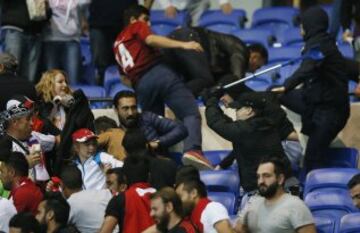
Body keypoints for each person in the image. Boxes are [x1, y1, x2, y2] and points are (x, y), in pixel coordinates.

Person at [113, 5, 212, 170]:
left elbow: (124, 78)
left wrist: (141, 83)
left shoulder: (116, 44)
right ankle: (193, 150)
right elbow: (151, 39)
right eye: (145, 19)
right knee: (189, 113)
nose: (148, 23)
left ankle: (159, 162)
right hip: (158, 73)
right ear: (132, 20)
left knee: (153, 126)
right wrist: (184, 45)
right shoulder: (136, 26)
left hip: (140, 85)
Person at [272, 7, 350, 172]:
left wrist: (287, 85)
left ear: (310, 25)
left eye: (302, 25)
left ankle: (316, 194)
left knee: (312, 161)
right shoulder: (321, 42)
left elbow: (307, 67)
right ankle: (288, 132)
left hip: (330, 113)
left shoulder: (319, 44)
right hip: (315, 104)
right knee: (274, 93)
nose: (300, 29)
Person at [203, 91, 296, 193]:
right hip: (283, 185)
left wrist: (210, 102)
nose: (236, 112)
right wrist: (213, 105)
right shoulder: (265, 125)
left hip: (267, 190)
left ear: (249, 110)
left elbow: (216, 123)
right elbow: (229, 125)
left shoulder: (247, 130)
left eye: (238, 109)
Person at [165, 27, 268, 96]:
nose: (254, 71)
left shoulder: (224, 69)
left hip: (177, 40)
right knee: (204, 79)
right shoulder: (240, 48)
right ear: (255, 57)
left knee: (195, 83)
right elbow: (236, 80)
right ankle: (174, 99)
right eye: (258, 67)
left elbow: (220, 85)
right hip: (190, 39)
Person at [234, 157, 316, 233]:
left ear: (280, 179)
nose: (261, 181)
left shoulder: (296, 206)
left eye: (266, 176)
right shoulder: (253, 201)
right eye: (258, 177)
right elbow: (238, 229)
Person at [113, 91, 188, 158]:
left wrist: (157, 143)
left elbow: (181, 129)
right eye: (125, 109)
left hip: (159, 166)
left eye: (134, 108)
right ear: (116, 110)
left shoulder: (147, 118)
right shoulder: (114, 134)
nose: (131, 113)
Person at [0, 95, 56, 182]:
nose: (32, 123)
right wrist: (24, 165)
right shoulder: (4, 145)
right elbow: (5, 180)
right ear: (15, 122)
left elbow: (58, 140)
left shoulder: (33, 136)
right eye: (28, 119)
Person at [99, 155, 156, 233]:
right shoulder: (164, 195)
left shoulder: (119, 200)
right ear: (149, 175)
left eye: (110, 184)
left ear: (125, 177)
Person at [1, 0, 50, 83]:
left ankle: (26, 94)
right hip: (15, 28)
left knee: (30, 76)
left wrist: (46, 9)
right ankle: (9, 94)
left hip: (35, 32)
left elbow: (47, 11)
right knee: (10, 69)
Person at [42, 0, 89, 84]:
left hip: (71, 40)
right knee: (51, 80)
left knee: (73, 80)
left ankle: (72, 97)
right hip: (51, 39)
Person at [57, 165, 115, 233]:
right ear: (82, 181)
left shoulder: (69, 205)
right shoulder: (104, 193)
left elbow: (55, 226)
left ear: (62, 186)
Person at [148, 0, 233, 26]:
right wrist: (166, 5)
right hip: (174, 5)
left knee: (205, 2)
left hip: (197, 3)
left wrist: (224, 2)